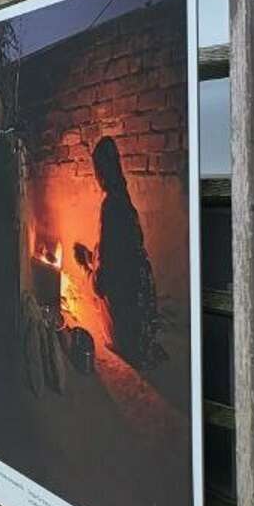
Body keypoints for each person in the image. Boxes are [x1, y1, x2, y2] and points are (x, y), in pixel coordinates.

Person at [90, 136, 158, 370]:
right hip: (142, 293)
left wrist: (87, 267)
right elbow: (118, 251)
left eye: (96, 170)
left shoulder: (110, 205)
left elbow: (102, 282)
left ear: (101, 171)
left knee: (100, 313)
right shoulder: (124, 199)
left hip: (129, 305)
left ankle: (124, 341)